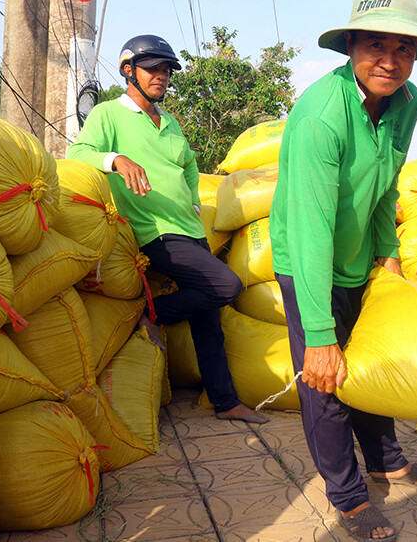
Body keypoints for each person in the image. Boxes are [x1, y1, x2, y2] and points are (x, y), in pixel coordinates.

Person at [269, 0, 417, 542]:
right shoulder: (321, 117)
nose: (390, 61)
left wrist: (389, 258)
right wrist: (320, 332)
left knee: (374, 363)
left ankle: (386, 461)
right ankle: (348, 498)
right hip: (307, 256)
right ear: (350, 46)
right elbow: (310, 226)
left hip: (358, 258)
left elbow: (383, 187)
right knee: (328, 380)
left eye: (404, 49)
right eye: (376, 45)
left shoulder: (408, 102)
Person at [67, 34, 267, 424]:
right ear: (128, 71)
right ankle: (152, 311)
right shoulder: (109, 114)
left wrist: (193, 199)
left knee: (209, 322)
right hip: (152, 230)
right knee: (225, 286)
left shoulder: (170, 121)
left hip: (188, 227)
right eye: (152, 69)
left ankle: (226, 403)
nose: (161, 77)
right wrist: (117, 159)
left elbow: (189, 164)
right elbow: (77, 154)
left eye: (166, 70)